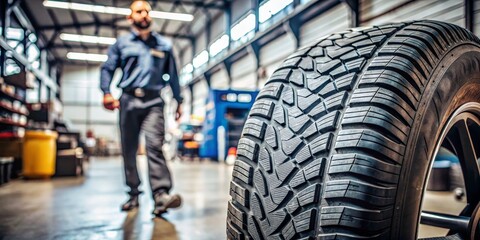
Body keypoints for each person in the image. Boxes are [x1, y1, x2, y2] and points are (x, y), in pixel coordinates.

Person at [100, 0, 183, 216]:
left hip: (154, 102)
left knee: (155, 146)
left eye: (147, 11)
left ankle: (160, 195)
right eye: (139, 11)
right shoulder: (122, 44)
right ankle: (134, 194)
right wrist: (106, 92)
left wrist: (179, 101)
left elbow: (173, 76)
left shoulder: (163, 45)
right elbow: (108, 69)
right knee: (129, 149)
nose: (144, 14)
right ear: (130, 17)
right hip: (127, 101)